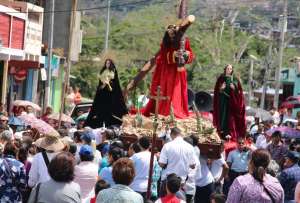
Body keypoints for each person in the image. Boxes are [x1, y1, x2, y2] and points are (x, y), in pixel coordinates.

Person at [142, 22, 194, 119]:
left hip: (179, 71)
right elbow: (163, 57)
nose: (171, 35)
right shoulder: (165, 43)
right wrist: (174, 55)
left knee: (177, 91)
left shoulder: (184, 40)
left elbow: (191, 55)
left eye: (173, 33)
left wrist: (185, 55)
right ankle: (166, 112)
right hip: (167, 71)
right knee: (167, 91)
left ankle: (177, 111)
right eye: (169, 33)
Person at [85, 59, 128, 128]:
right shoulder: (103, 71)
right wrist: (103, 85)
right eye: (106, 63)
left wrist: (109, 83)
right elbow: (100, 83)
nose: (107, 65)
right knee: (99, 112)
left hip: (110, 96)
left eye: (108, 63)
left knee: (111, 114)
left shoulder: (113, 71)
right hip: (103, 95)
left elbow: (115, 84)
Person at [159, 127, 196, 198]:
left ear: (172, 134)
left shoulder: (167, 146)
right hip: (181, 182)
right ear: (180, 134)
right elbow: (193, 165)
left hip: (167, 182)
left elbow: (161, 164)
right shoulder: (190, 147)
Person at [213, 64, 246, 141]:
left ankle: (231, 134)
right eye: (228, 68)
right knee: (223, 118)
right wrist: (221, 89)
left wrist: (234, 88)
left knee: (231, 119)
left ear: (232, 70)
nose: (229, 70)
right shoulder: (221, 79)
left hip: (232, 103)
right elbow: (216, 92)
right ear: (225, 69)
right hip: (223, 103)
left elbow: (240, 92)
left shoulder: (235, 80)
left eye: (230, 69)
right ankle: (222, 133)